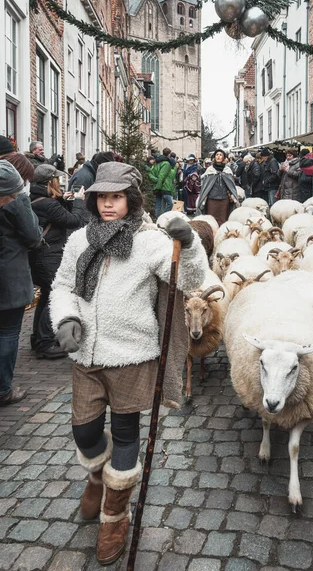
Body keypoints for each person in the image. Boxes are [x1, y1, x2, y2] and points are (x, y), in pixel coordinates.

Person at [49, 161, 208, 564]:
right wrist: (65, 317)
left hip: (132, 357)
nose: (107, 204)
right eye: (101, 196)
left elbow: (189, 282)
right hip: (86, 355)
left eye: (116, 197)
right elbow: (64, 285)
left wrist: (187, 245)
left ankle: (114, 516)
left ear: (131, 200)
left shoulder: (150, 242)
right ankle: (97, 477)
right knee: (84, 432)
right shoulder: (80, 240)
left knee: (124, 432)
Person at [29, 164, 86, 358]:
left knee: (46, 296)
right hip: (48, 256)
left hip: (40, 256)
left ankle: (38, 338)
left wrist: (64, 199)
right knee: (52, 296)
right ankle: (45, 343)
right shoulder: (48, 204)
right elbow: (74, 221)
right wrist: (79, 201)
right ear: (51, 181)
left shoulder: (37, 199)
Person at [0, 161, 42, 405]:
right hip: (9, 275)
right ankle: (4, 389)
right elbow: (34, 237)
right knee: (7, 332)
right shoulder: (15, 202)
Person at [196, 149, 239, 225]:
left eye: (220, 155)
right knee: (211, 221)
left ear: (223, 158)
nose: (218, 156)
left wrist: (233, 196)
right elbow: (205, 185)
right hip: (212, 199)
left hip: (224, 200)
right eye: (217, 155)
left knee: (223, 220)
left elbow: (231, 185)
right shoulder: (210, 170)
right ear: (214, 157)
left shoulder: (227, 170)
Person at [149, 148, 176, 218]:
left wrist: (156, 181)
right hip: (162, 186)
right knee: (169, 203)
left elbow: (150, 173)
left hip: (157, 185)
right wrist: (159, 186)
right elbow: (162, 176)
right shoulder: (166, 164)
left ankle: (158, 220)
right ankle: (163, 218)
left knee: (159, 205)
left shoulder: (157, 162)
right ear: (169, 154)